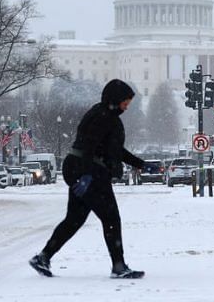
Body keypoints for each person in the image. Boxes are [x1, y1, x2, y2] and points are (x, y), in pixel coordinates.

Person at [30, 79, 148, 279]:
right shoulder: (103, 117)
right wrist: (85, 176)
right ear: (116, 99)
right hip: (90, 171)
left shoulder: (105, 115)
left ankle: (43, 257)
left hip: (82, 169)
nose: (127, 107)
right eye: (125, 102)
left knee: (74, 220)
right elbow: (89, 145)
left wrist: (142, 164)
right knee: (111, 218)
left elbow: (115, 150)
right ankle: (118, 266)